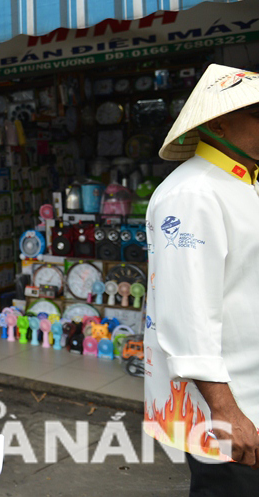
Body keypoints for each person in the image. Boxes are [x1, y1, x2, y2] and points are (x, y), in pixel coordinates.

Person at [144, 63, 259, 494]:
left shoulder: (244, 182)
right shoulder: (192, 193)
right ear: (219, 123)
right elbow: (187, 312)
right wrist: (226, 410)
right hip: (230, 405)